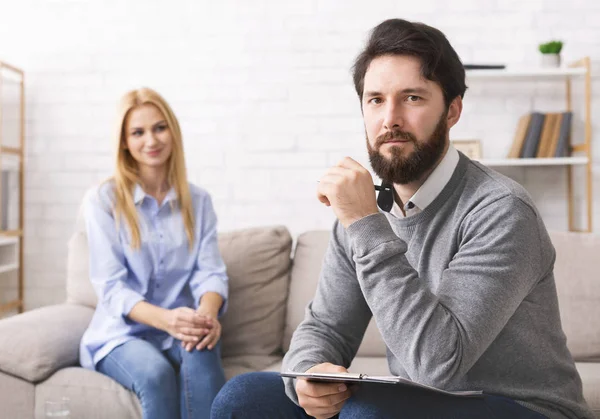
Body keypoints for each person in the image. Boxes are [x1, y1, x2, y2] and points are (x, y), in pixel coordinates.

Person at [211, 18, 593, 419]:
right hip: (418, 406)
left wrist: (364, 223)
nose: (390, 118)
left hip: (523, 408)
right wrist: (308, 374)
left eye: (412, 98)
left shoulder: (501, 209)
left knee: (369, 414)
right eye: (375, 99)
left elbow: (439, 364)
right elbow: (326, 328)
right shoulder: (361, 211)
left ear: (452, 111)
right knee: (243, 396)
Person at [79, 87, 229, 419]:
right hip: (122, 334)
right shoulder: (103, 200)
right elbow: (111, 287)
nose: (151, 140)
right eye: (138, 132)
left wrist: (206, 316)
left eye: (159, 127)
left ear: (172, 131)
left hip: (181, 327)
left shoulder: (198, 201)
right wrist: (167, 320)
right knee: (156, 373)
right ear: (124, 142)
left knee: (204, 351)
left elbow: (211, 273)